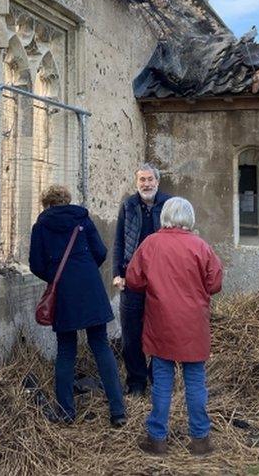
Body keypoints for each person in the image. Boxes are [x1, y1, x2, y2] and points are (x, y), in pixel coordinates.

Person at [125, 197, 224, 457]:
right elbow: (214, 284)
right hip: (193, 324)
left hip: (161, 322)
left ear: (165, 216)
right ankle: (200, 439)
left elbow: (133, 280)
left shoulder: (151, 244)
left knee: (162, 381)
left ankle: (157, 439)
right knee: (195, 381)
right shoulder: (201, 246)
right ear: (189, 217)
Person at [28, 185, 126, 427]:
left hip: (64, 292)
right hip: (90, 287)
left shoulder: (40, 227)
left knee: (66, 350)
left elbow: (36, 264)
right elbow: (101, 252)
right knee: (100, 346)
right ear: (67, 200)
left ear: (47, 204)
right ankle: (118, 412)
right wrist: (85, 269)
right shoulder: (82, 219)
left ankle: (66, 412)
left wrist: (56, 276)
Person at [113, 164, 171, 395]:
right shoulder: (128, 205)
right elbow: (119, 241)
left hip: (161, 279)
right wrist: (117, 273)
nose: (146, 184)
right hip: (132, 278)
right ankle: (136, 382)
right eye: (142, 180)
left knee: (160, 330)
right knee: (131, 332)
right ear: (136, 183)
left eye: (150, 180)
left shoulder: (168, 204)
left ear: (157, 181)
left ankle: (157, 379)